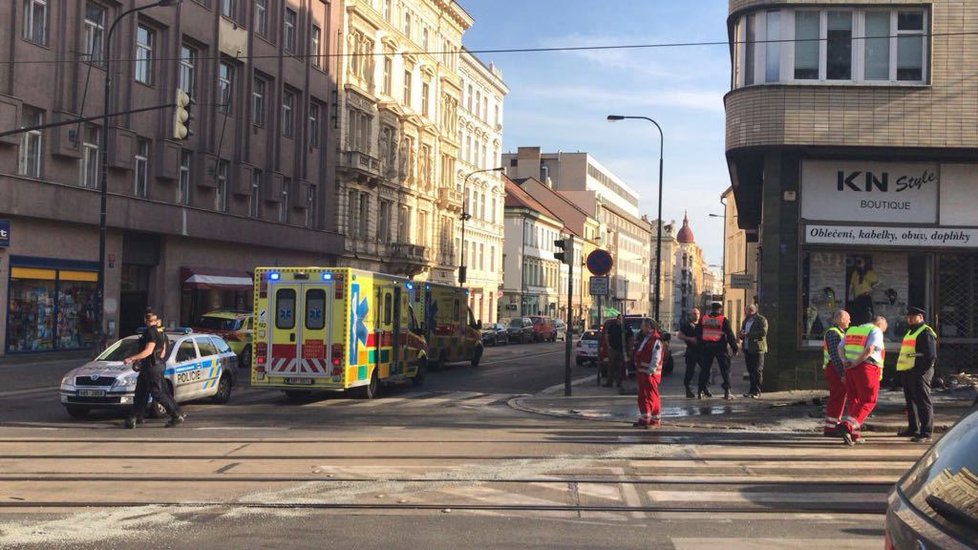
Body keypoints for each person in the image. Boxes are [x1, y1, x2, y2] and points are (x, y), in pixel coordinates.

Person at [123, 309, 185, 429]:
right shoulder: (161, 333)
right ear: (156, 321)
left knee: (158, 393)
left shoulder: (151, 332)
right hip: (154, 366)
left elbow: (148, 351)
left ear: (146, 321)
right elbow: (163, 353)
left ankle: (176, 414)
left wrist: (132, 358)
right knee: (141, 393)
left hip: (151, 367)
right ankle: (134, 418)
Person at [837, 315, 887, 446]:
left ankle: (853, 434)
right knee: (868, 400)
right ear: (880, 324)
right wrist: (856, 363)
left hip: (850, 370)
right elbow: (870, 349)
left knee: (854, 400)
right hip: (866, 368)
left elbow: (840, 347)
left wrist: (845, 361)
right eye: (884, 329)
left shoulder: (852, 330)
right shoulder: (876, 330)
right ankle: (847, 426)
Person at [896, 307, 937, 443]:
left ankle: (926, 432)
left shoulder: (925, 332)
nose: (910, 319)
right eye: (908, 317)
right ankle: (913, 428)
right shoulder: (911, 332)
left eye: (913, 317)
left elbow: (930, 355)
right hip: (909, 371)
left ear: (920, 317)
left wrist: (921, 371)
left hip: (920, 372)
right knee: (911, 401)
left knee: (923, 401)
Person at [696, 302, 738, 399]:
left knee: (704, 370)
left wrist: (702, 344)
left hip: (706, 347)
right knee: (725, 370)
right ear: (720, 309)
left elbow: (698, 334)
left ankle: (700, 391)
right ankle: (727, 392)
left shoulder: (704, 319)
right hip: (720, 347)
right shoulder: (723, 320)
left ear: (712, 309)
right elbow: (730, 335)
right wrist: (734, 348)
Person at [822, 309, 850, 436]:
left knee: (838, 397)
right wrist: (842, 373)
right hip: (834, 368)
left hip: (834, 368)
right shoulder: (834, 333)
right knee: (837, 397)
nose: (850, 321)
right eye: (848, 318)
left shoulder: (838, 332)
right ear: (841, 319)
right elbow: (835, 355)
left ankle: (833, 425)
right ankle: (831, 428)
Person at [632, 318, 663, 429]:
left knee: (652, 396)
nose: (641, 328)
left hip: (649, 373)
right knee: (643, 396)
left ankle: (655, 420)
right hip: (642, 372)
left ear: (649, 327)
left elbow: (656, 357)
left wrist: (651, 370)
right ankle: (645, 418)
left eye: (643, 326)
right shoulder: (646, 338)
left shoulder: (655, 340)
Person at [739, 304, 768, 398]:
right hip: (747, 348)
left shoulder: (761, 320)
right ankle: (751, 391)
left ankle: (757, 391)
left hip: (758, 349)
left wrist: (748, 334)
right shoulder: (746, 320)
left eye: (750, 310)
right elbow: (742, 332)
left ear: (754, 310)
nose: (748, 312)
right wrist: (741, 335)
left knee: (757, 370)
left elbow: (763, 333)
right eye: (747, 310)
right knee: (750, 371)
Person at [678, 308, 703, 398]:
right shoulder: (687, 324)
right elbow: (679, 335)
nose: (697, 315)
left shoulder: (702, 324)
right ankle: (688, 390)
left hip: (702, 351)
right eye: (695, 314)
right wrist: (690, 339)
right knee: (690, 371)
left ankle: (703, 388)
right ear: (691, 315)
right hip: (691, 351)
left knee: (705, 370)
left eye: (698, 314)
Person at [848, 256, 879, 325]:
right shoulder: (855, 273)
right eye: (858, 263)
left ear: (865, 264)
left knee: (868, 314)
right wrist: (849, 296)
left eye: (861, 263)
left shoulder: (869, 273)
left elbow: (878, 282)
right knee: (857, 314)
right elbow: (852, 285)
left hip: (866, 296)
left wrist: (872, 287)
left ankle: (867, 327)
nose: (859, 264)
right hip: (858, 297)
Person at [603, 316, 625, 390]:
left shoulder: (625, 328)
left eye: (621, 319)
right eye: (619, 319)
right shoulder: (612, 327)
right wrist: (608, 345)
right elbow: (607, 336)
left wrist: (628, 349)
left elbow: (630, 337)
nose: (620, 321)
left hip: (621, 349)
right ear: (617, 319)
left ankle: (619, 383)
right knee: (611, 366)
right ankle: (609, 382)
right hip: (613, 349)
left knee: (620, 367)